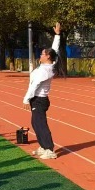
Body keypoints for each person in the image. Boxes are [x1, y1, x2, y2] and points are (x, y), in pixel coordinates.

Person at [23, 23, 62, 160]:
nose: (40, 55)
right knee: (35, 123)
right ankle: (43, 146)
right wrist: (57, 35)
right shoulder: (50, 63)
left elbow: (34, 86)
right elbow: (55, 50)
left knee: (40, 124)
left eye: (42, 54)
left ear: (48, 57)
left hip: (39, 99)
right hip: (39, 100)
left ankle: (49, 149)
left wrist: (26, 99)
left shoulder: (44, 71)